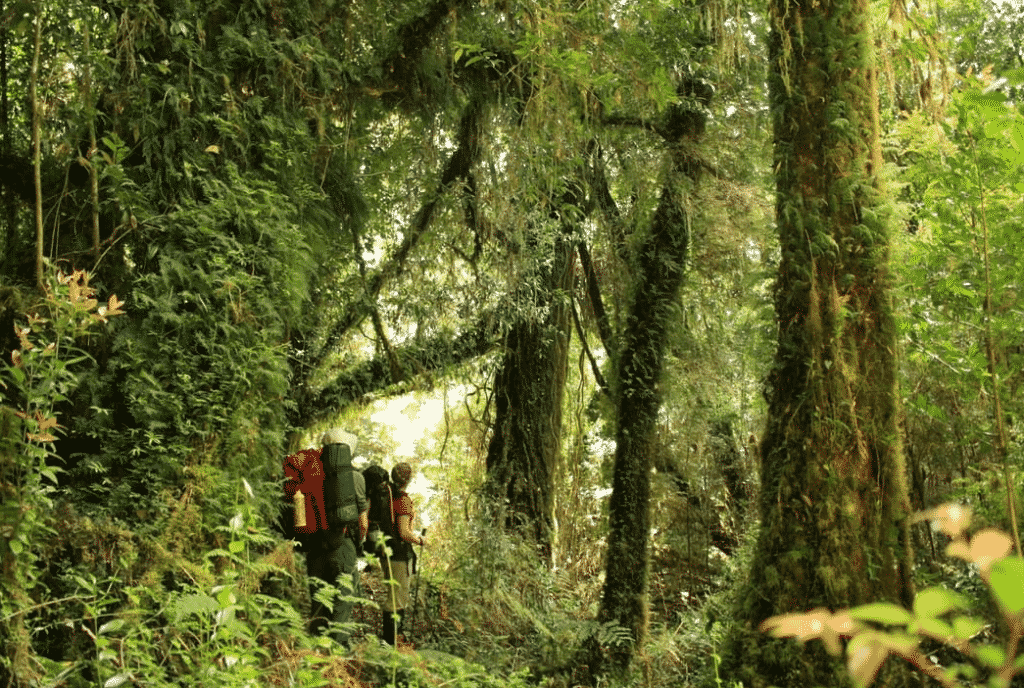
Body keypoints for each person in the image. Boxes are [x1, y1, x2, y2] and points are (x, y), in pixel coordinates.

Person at [306, 428, 368, 644]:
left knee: (319, 601)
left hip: (314, 547)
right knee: (343, 600)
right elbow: (363, 522)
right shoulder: (356, 478)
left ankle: (314, 650)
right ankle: (338, 655)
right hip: (344, 546)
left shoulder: (311, 474)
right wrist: (358, 545)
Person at [381, 461, 426, 646]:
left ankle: (394, 639)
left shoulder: (387, 495)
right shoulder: (403, 499)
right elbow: (404, 532)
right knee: (397, 599)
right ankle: (392, 642)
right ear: (408, 479)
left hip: (386, 552)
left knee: (394, 595)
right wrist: (421, 540)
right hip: (399, 555)